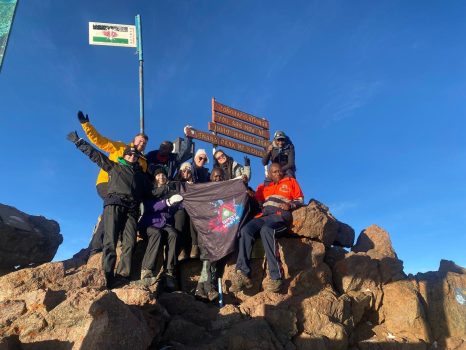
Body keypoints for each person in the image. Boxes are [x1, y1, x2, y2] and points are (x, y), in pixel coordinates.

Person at [67, 131, 150, 289]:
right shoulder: (114, 167)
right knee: (110, 241)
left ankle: (123, 275)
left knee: (129, 243)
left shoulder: (141, 176)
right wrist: (79, 142)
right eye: (130, 155)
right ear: (125, 156)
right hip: (115, 204)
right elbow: (96, 155)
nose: (132, 157)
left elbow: (152, 190)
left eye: (135, 156)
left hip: (132, 210)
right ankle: (107, 273)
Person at [77, 110, 149, 257]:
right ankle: (97, 248)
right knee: (111, 210)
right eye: (140, 140)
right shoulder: (120, 147)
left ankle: (122, 242)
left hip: (127, 190)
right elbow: (99, 140)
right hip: (107, 182)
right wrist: (86, 125)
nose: (142, 144)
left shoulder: (143, 161)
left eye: (145, 143)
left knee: (126, 211)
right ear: (134, 141)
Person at [230, 163, 304, 293]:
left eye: (279, 171)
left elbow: (300, 199)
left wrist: (291, 205)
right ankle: (243, 273)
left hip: (279, 216)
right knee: (245, 230)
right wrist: (246, 188)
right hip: (263, 216)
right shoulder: (263, 187)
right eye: (274, 172)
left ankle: (276, 277)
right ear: (269, 174)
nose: (278, 174)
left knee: (266, 230)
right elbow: (255, 199)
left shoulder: (290, 181)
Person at [138, 167, 183, 291]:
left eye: (163, 175)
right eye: (158, 175)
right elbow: (148, 207)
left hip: (165, 224)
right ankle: (147, 271)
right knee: (156, 233)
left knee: (173, 234)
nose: (161, 177)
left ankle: (169, 272)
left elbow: (176, 209)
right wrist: (167, 203)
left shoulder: (171, 192)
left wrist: (177, 205)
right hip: (149, 223)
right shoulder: (150, 191)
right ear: (154, 178)